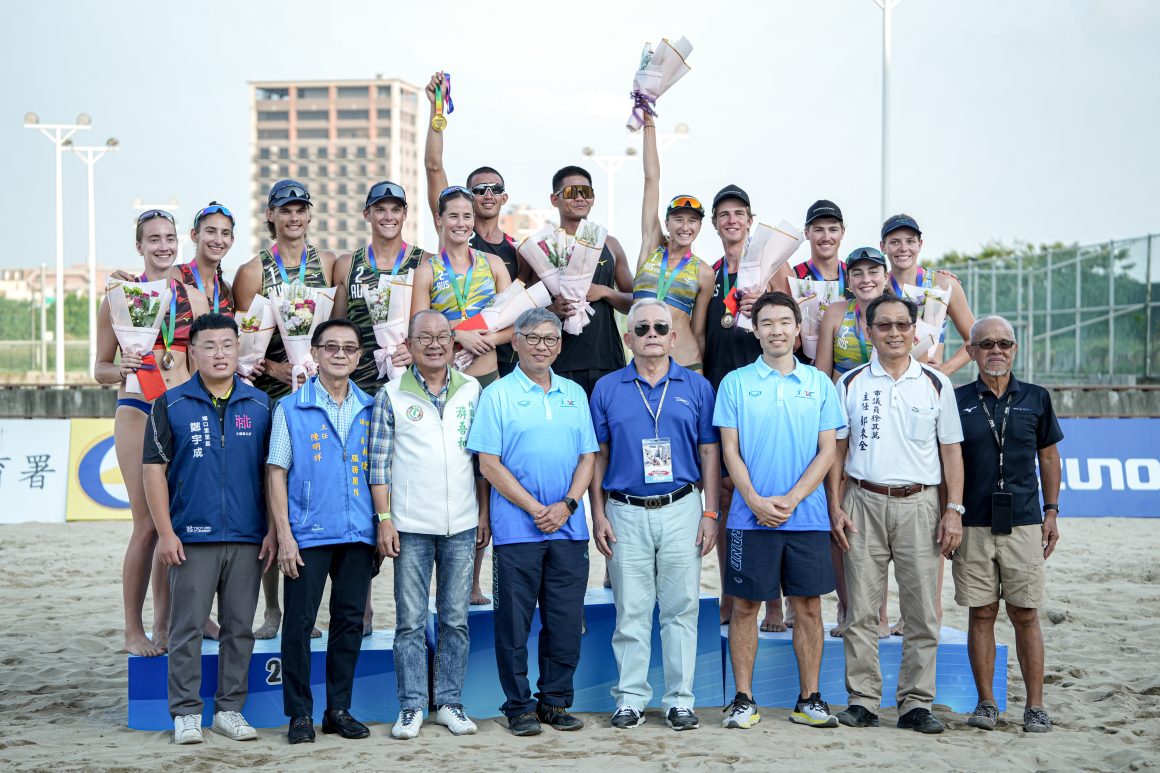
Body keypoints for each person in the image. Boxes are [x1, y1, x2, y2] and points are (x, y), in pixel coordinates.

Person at [826, 295, 965, 734]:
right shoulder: (849, 383)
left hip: (920, 504)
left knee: (922, 612)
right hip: (861, 501)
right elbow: (837, 450)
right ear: (869, 332)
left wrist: (953, 511)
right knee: (861, 612)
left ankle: (915, 704)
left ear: (915, 331)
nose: (893, 333)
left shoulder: (936, 384)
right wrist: (835, 503)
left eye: (902, 325)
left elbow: (951, 453)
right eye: (883, 325)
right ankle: (863, 701)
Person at [714, 292, 845, 730]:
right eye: (766, 323)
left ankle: (809, 699)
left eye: (784, 322)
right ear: (755, 329)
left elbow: (828, 451)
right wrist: (752, 499)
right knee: (746, 607)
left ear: (796, 327)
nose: (776, 330)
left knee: (808, 607)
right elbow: (729, 451)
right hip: (749, 519)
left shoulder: (819, 384)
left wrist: (792, 498)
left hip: (805, 517)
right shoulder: (735, 383)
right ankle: (743, 699)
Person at [142, 313, 273, 744]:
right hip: (190, 538)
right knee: (187, 628)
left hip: (246, 536)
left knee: (239, 628)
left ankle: (230, 710)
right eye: (209, 346)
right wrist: (165, 532)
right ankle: (185, 712)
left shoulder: (260, 405)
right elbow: (154, 472)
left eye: (227, 345)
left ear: (239, 350)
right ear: (192, 352)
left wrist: (272, 530)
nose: (220, 354)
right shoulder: (172, 404)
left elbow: (273, 475)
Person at [589, 298, 720, 731]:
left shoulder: (697, 387)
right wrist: (598, 513)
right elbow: (598, 455)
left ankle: (680, 700)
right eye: (641, 328)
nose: (651, 335)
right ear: (628, 337)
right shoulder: (608, 388)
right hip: (624, 510)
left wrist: (710, 512)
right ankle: (629, 699)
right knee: (631, 609)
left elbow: (708, 452)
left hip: (682, 506)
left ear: (673, 337)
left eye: (659, 328)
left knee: (681, 608)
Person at [466, 308, 597, 737]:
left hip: (569, 528)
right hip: (516, 531)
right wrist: (535, 508)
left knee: (564, 621)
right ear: (516, 342)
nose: (542, 346)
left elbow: (587, 457)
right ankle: (519, 706)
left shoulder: (575, 394)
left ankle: (555, 701)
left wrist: (567, 505)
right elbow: (489, 462)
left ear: (560, 344)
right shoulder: (497, 395)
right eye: (533, 338)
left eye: (550, 339)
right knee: (514, 623)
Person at [94, 209, 208, 657]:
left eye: (169, 238)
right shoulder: (118, 297)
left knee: (173, 527)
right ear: (139, 245)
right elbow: (100, 369)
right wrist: (116, 367)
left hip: (179, 412)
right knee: (145, 527)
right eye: (153, 239)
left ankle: (163, 627)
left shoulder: (195, 301)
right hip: (137, 410)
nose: (163, 245)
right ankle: (132, 629)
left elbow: (200, 365)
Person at [369, 310, 485, 740]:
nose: (434, 344)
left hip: (461, 526)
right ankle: (412, 705)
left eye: (442, 336)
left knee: (455, 619)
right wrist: (385, 520)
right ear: (410, 344)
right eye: (424, 338)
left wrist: (482, 517)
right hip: (410, 525)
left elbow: (481, 462)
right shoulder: (392, 393)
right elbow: (378, 466)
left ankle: (450, 702)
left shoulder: (472, 389)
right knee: (410, 621)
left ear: (454, 341)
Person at [233, 179, 336, 641]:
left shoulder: (328, 263)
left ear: (310, 214)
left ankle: (316, 608)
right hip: (273, 397)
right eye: (285, 210)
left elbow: (337, 332)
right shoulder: (253, 271)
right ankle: (273, 609)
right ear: (271, 216)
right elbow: (245, 350)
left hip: (321, 394)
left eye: (300, 209)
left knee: (322, 496)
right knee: (272, 505)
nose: (293, 217)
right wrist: (279, 369)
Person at [266, 319, 376, 744]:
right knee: (298, 624)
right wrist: (285, 535)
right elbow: (276, 473)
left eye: (349, 348)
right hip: (307, 535)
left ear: (360, 356)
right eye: (331, 347)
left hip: (357, 535)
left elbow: (381, 474)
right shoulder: (291, 408)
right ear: (314, 352)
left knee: (348, 622)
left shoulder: (370, 406)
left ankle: (339, 710)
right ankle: (299, 715)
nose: (340, 355)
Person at [953, 315, 1062, 734]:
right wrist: (952, 514)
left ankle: (1034, 706)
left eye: (1004, 344)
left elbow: (1048, 457)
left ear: (1014, 349)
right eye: (986, 344)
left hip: (1024, 522)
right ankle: (986, 704)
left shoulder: (1036, 397)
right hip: (974, 522)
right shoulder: (957, 399)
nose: (995, 350)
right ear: (972, 352)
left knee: (1025, 613)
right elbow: (950, 462)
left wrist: (1051, 510)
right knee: (981, 613)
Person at [702, 184, 798, 632]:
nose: (732, 220)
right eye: (724, 214)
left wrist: (763, 306)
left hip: (765, 391)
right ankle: (730, 589)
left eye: (739, 213)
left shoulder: (773, 268)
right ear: (716, 224)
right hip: (722, 389)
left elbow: (788, 325)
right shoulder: (711, 272)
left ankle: (774, 602)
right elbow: (702, 336)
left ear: (750, 220)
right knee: (723, 494)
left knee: (765, 488)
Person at [812, 246, 894, 639]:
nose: (865, 279)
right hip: (844, 421)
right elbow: (823, 373)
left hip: (887, 421)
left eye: (873, 271)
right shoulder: (836, 312)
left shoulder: (900, 311)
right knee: (840, 515)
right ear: (848, 277)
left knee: (882, 519)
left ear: (885, 273)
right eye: (857, 272)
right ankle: (848, 609)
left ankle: (879, 613)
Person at [423, 71, 526, 378]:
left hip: (501, 360)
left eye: (495, 188)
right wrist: (436, 110)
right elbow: (433, 167)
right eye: (479, 190)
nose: (488, 194)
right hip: (454, 363)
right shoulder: (452, 237)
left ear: (505, 197)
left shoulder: (516, 249)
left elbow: (523, 308)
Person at [632, 112, 715, 372]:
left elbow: (699, 331)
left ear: (700, 227)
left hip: (686, 362)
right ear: (666, 223)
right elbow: (651, 179)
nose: (685, 227)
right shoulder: (651, 247)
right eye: (678, 219)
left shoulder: (704, 272)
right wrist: (649, 124)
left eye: (693, 221)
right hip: (644, 360)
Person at [543, 165, 634, 398]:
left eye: (586, 191)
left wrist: (605, 292)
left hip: (607, 359)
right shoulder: (544, 247)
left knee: (608, 432)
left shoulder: (610, 244)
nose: (580, 197)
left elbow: (635, 302)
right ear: (555, 199)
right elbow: (527, 310)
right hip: (560, 361)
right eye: (572, 191)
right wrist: (552, 310)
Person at [333, 181, 427, 396]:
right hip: (358, 384)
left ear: (405, 214)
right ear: (367, 214)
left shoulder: (424, 262)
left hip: (410, 379)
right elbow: (337, 328)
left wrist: (416, 350)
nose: (388, 217)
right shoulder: (346, 265)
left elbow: (434, 325)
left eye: (395, 210)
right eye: (380, 210)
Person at [880, 214, 976, 375]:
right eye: (895, 242)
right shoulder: (877, 288)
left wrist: (944, 370)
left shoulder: (944, 285)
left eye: (910, 241)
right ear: (883, 247)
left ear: (920, 245)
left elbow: (976, 338)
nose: (903, 248)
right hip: (886, 383)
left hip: (928, 385)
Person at [178, 202, 237, 316]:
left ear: (231, 241)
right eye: (211, 231)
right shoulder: (175, 278)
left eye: (225, 233)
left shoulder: (227, 290)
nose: (218, 240)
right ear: (194, 235)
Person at [794, 200, 849, 295]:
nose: (826, 237)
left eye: (833, 230)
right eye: (818, 230)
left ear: (842, 232)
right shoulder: (794, 277)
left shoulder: (854, 275)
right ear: (807, 233)